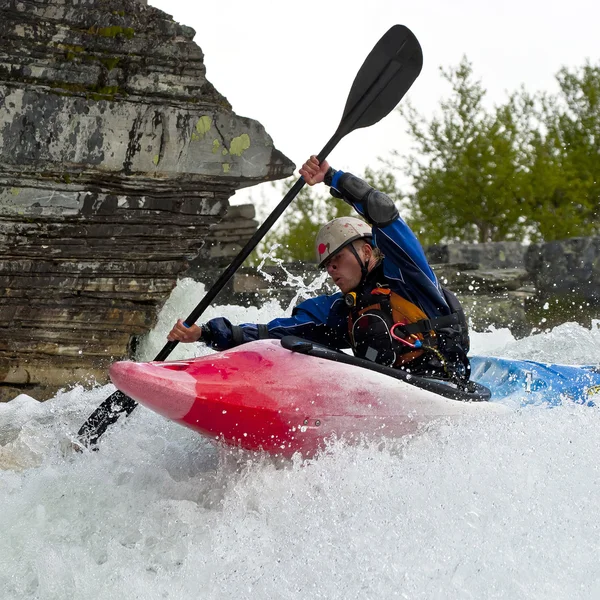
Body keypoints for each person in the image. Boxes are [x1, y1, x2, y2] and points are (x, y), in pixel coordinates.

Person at [168, 156, 471, 383]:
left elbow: (382, 211)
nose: (332, 270)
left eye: (338, 259)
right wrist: (207, 332)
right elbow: (275, 333)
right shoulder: (343, 310)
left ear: (367, 251)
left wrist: (333, 177)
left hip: (445, 383)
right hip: (395, 392)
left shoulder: (407, 274)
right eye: (328, 265)